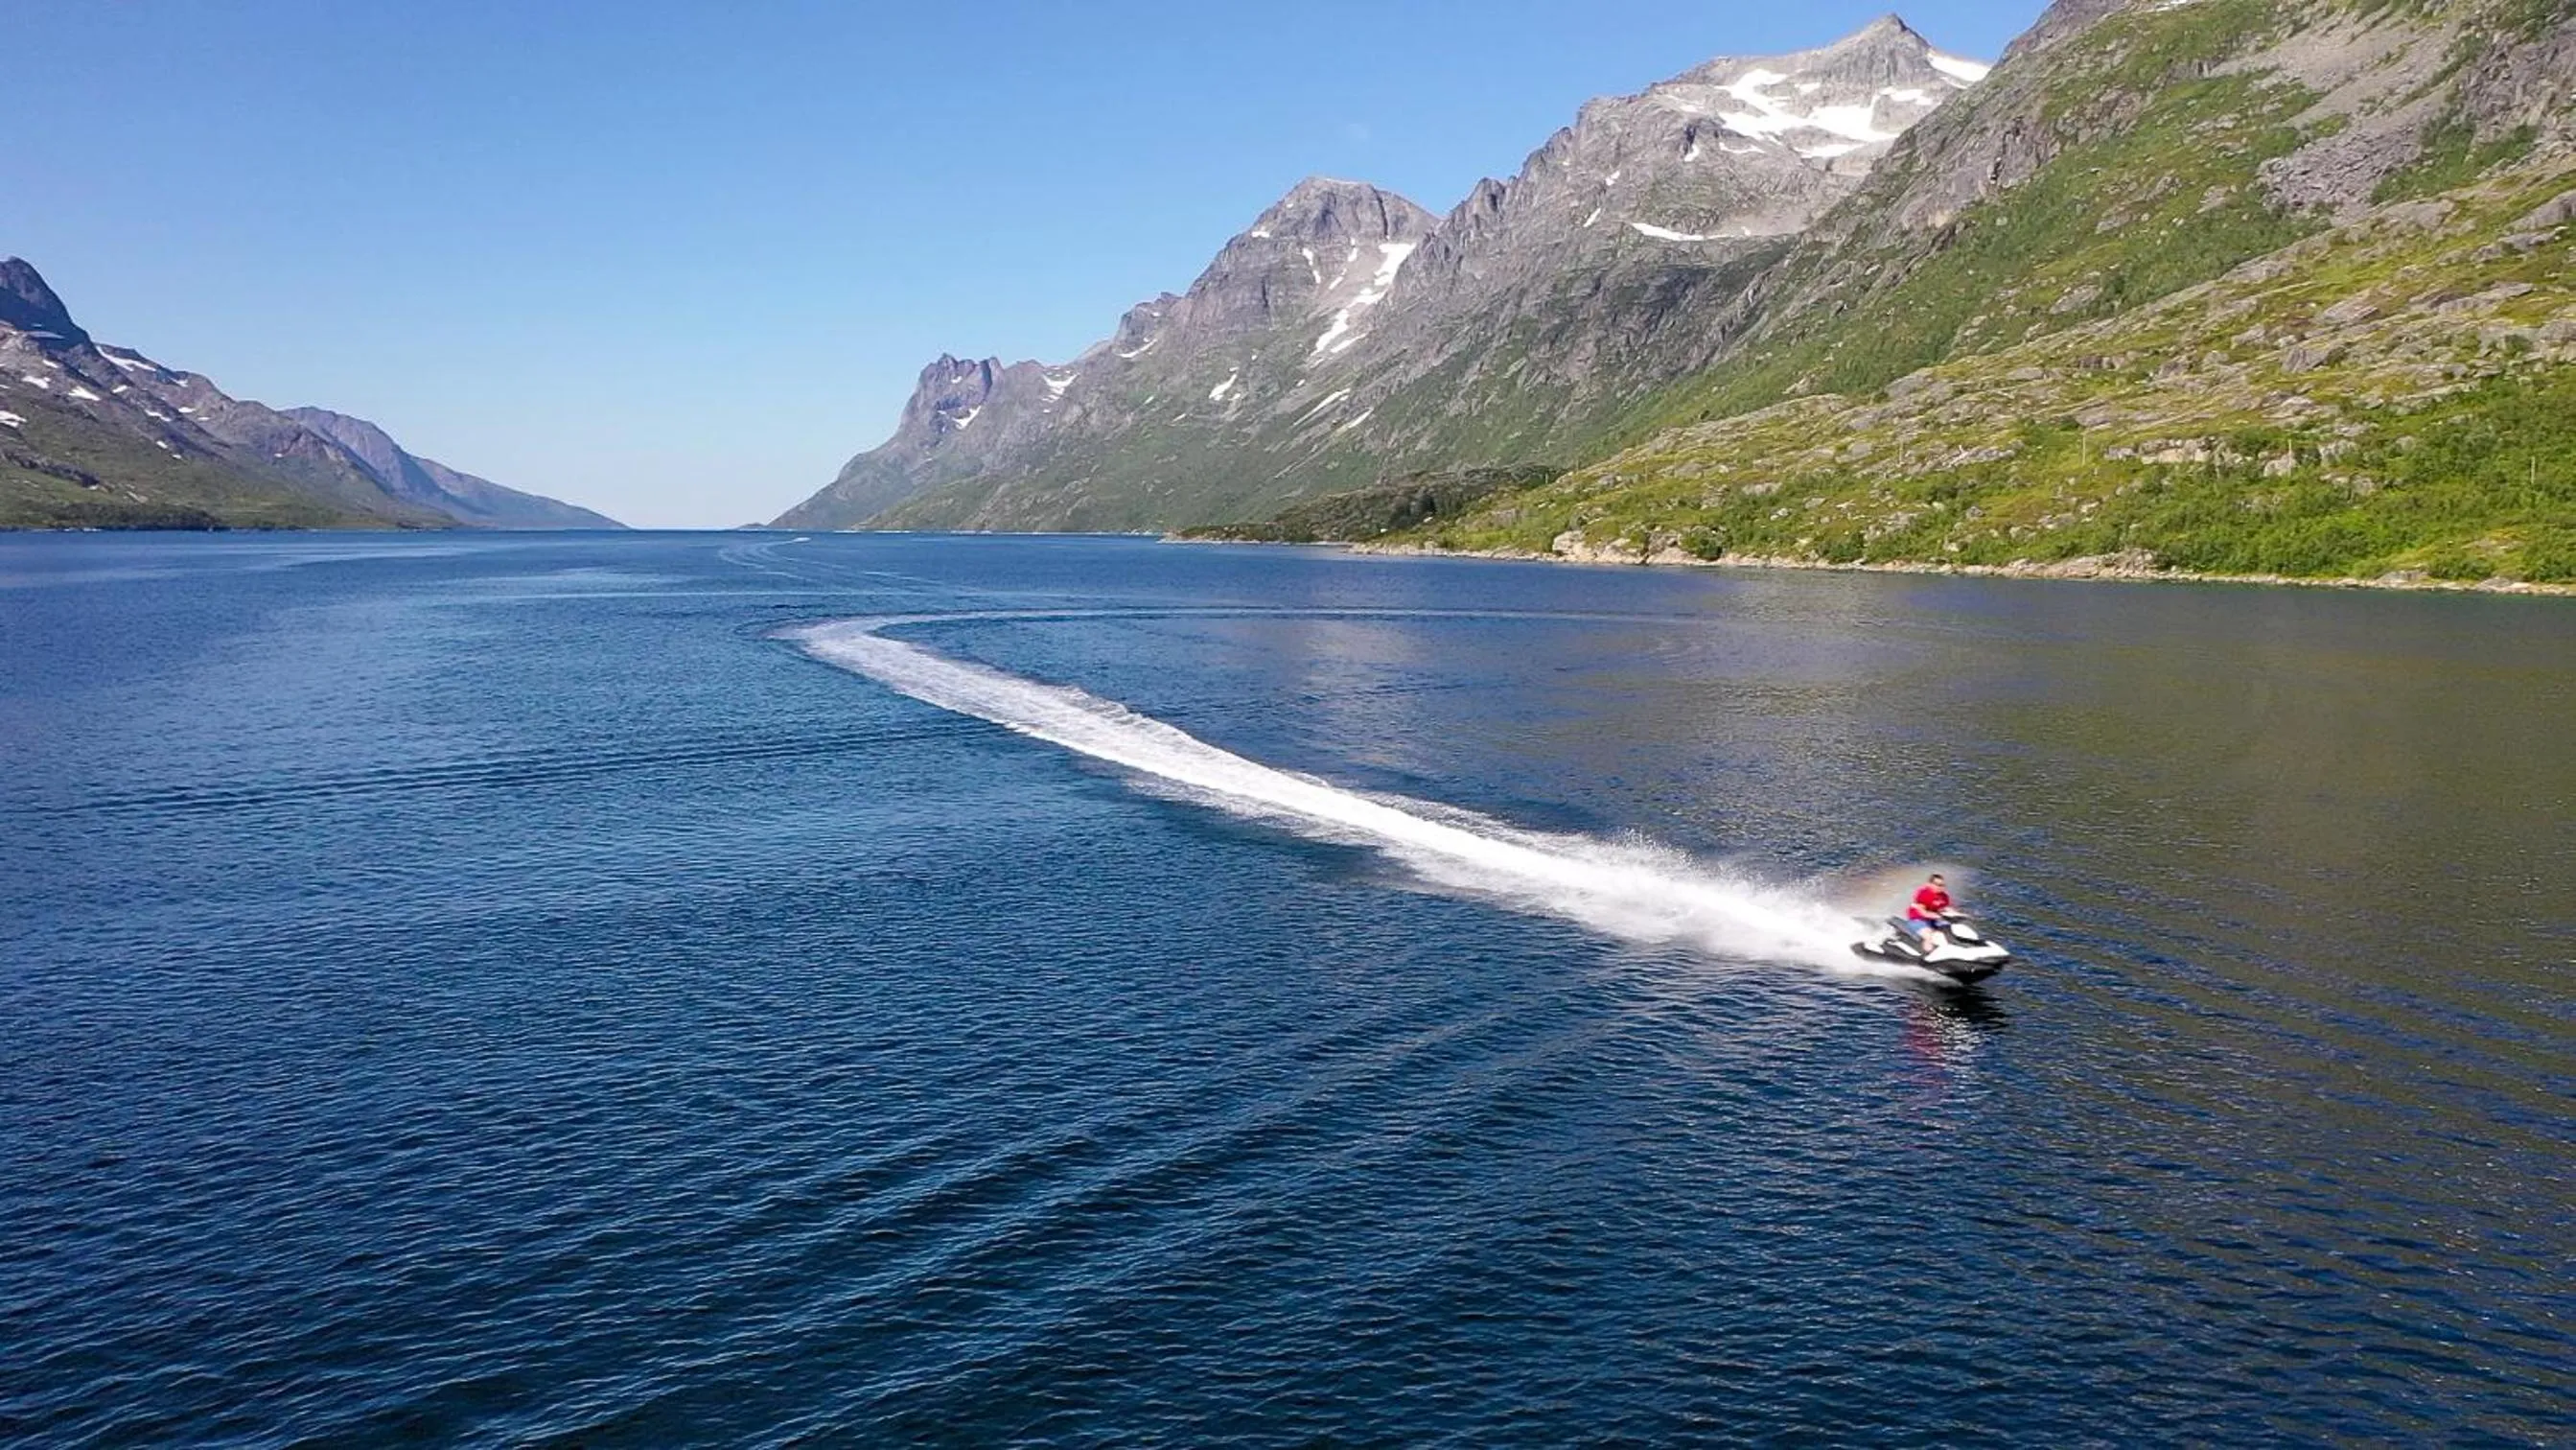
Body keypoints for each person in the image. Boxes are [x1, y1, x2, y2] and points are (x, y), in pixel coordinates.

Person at [1905, 873, 1960, 953]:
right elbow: (1923, 912)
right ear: (1930, 884)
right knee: (1929, 935)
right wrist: (1937, 916)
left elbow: (1946, 908)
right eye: (1937, 884)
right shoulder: (1923, 893)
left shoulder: (1944, 896)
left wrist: (1958, 915)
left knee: (1950, 931)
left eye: (1942, 885)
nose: (1940, 887)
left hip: (1933, 921)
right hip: (1918, 920)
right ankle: (1926, 958)